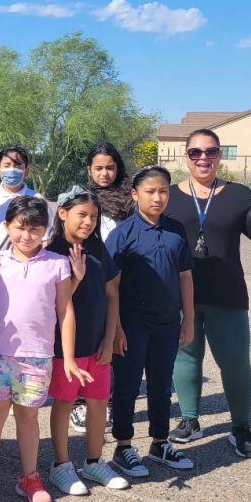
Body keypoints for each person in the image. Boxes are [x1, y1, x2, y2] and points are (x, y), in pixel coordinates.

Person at [0, 195, 90, 502]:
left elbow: (65, 311)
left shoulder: (56, 264)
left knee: (28, 417)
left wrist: (70, 358)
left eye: (35, 229)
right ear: (7, 226)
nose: (26, 235)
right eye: (20, 227)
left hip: (37, 357)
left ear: (45, 230)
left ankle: (29, 478)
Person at [165, 128, 251, 457]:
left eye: (211, 152)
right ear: (185, 156)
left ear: (219, 156)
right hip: (180, 295)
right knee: (185, 359)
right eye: (195, 153)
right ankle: (190, 419)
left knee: (235, 363)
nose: (203, 158)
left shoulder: (238, 194)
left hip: (226, 294)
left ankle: (241, 427)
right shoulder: (169, 196)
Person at [107, 165, 195, 478]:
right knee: (128, 387)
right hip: (131, 323)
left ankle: (160, 443)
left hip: (168, 322)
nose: (157, 197)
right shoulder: (122, 234)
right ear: (134, 195)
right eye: (150, 191)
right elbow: (111, 286)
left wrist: (189, 320)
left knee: (161, 385)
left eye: (163, 191)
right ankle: (123, 446)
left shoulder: (176, 230)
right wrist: (115, 328)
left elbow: (185, 277)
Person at [46, 186, 129, 493]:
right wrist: (75, 278)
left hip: (97, 345)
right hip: (65, 347)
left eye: (94, 216)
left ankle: (94, 461)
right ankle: (62, 465)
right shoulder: (51, 252)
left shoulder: (98, 249)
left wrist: (110, 337)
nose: (88, 222)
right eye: (81, 215)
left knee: (97, 402)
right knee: (65, 401)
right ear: (63, 213)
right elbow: (57, 303)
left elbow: (111, 294)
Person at [69, 141, 134, 434]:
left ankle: (109, 401)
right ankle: (80, 404)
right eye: (98, 168)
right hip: (90, 277)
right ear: (89, 170)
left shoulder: (131, 200)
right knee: (91, 340)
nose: (105, 173)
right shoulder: (80, 199)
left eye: (110, 167)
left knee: (118, 341)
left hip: (125, 278)